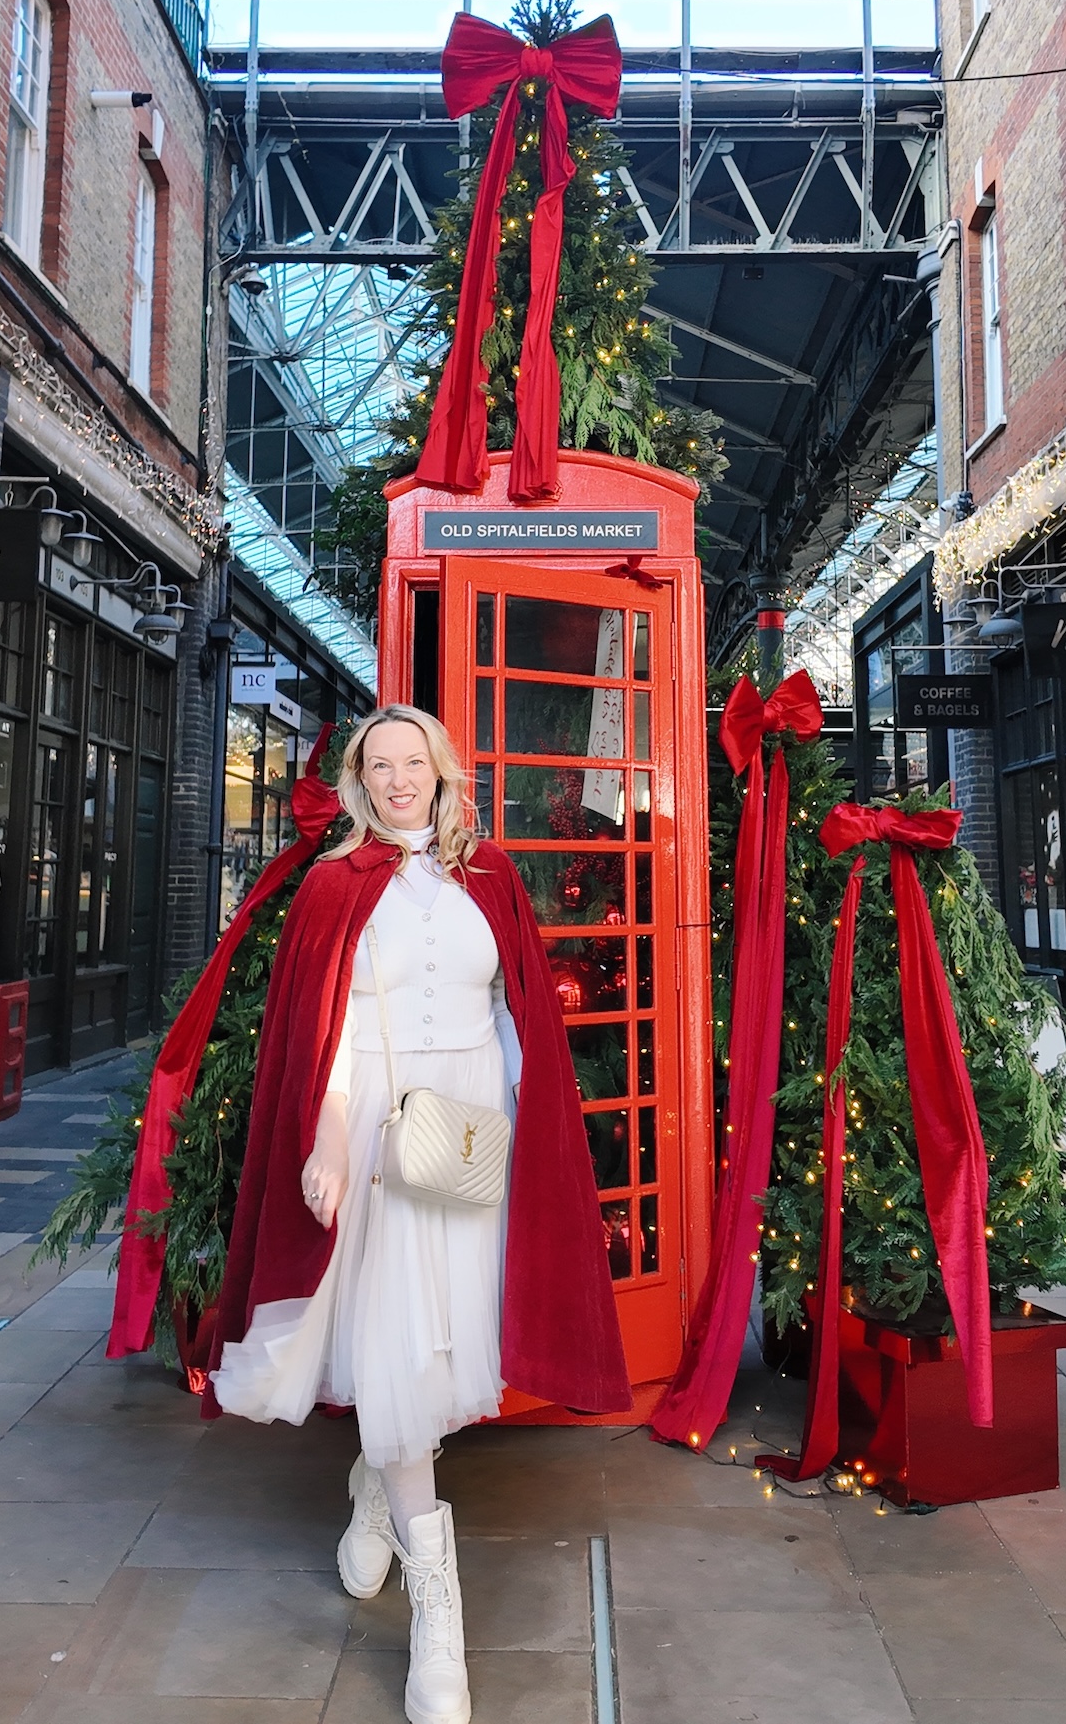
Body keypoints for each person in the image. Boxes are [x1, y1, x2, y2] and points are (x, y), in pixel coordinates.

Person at [204, 704, 630, 1724]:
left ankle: (372, 1486)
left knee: (436, 1359)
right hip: (385, 1145)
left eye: (415, 762)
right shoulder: (332, 888)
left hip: (470, 1141)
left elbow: (512, 1010)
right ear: (361, 779)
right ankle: (440, 1617)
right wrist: (331, 1137)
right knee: (400, 1343)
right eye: (380, 765)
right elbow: (326, 1032)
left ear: (443, 773)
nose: (399, 780)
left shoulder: (488, 878)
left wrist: (537, 1144)